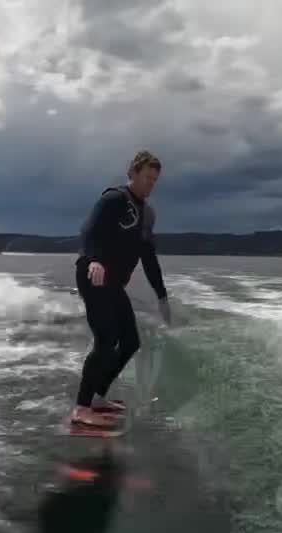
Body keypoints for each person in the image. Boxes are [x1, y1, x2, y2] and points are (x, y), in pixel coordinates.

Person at [70, 149, 172, 429]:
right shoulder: (114, 199)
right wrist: (95, 260)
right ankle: (81, 407)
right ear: (133, 174)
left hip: (113, 284)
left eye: (155, 180)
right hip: (93, 274)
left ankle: (99, 395)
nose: (151, 184)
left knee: (130, 342)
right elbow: (89, 231)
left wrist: (161, 295)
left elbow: (149, 258)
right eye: (147, 177)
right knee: (106, 340)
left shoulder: (147, 214)